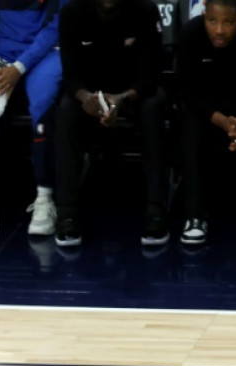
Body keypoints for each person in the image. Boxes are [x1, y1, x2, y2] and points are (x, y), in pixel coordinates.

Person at [55, 0, 169, 248]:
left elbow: (151, 75)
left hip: (132, 93)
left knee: (154, 108)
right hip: (89, 93)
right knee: (66, 110)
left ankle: (156, 210)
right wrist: (86, 97)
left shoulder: (145, 10)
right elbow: (70, 74)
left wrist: (123, 98)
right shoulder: (73, 11)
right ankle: (66, 214)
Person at [176, 0, 236, 245]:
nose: (219, 30)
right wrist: (220, 120)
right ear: (204, 16)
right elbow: (187, 90)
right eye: (212, 21)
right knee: (188, 120)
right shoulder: (190, 33)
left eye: (227, 22)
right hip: (208, 113)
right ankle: (195, 216)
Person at [0, 0, 63, 240]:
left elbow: (56, 26)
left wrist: (20, 66)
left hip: (45, 52)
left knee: (44, 98)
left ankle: (45, 198)